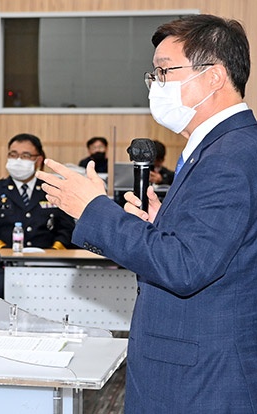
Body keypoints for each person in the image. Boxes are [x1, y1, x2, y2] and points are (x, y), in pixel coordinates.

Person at [36, 15, 257, 412]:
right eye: (153, 73)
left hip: (202, 379)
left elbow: (186, 267)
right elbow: (217, 249)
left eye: (164, 71)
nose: (155, 84)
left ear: (214, 77)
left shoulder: (230, 155)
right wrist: (161, 226)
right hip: (193, 367)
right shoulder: (222, 148)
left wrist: (93, 209)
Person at [0, 133, 75, 298]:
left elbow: (67, 229)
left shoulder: (52, 191)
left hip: (48, 265)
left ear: (38, 160)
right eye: (13, 155)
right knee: (4, 288)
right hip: (4, 266)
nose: (18, 160)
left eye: (25, 155)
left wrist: (52, 255)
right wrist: (7, 256)